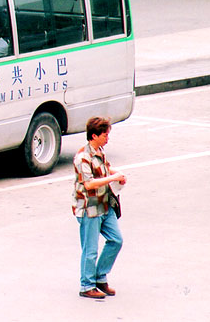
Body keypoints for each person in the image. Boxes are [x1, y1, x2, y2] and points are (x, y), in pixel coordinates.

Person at [72, 116, 126, 299]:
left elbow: (105, 168)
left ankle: (100, 276)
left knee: (116, 240)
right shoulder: (82, 157)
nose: (107, 138)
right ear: (94, 136)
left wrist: (117, 174)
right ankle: (87, 285)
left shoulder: (99, 151)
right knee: (90, 249)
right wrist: (112, 178)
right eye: (104, 135)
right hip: (90, 209)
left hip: (104, 205)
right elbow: (89, 184)